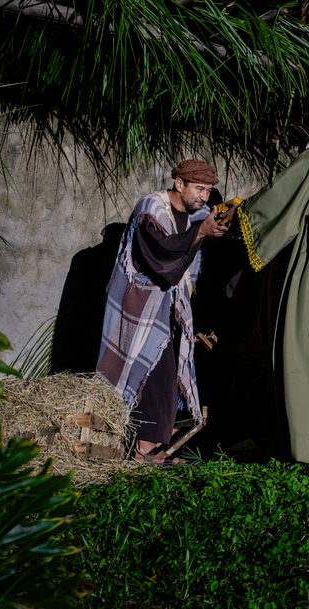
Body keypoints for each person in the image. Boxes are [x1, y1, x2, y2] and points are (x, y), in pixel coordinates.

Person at [97, 159, 231, 462]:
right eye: (199, 189)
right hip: (138, 306)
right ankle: (128, 445)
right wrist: (200, 233)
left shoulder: (194, 214)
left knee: (163, 377)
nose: (204, 197)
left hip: (167, 309)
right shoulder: (151, 208)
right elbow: (162, 257)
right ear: (179, 183)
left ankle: (148, 448)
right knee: (132, 372)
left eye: (209, 191)